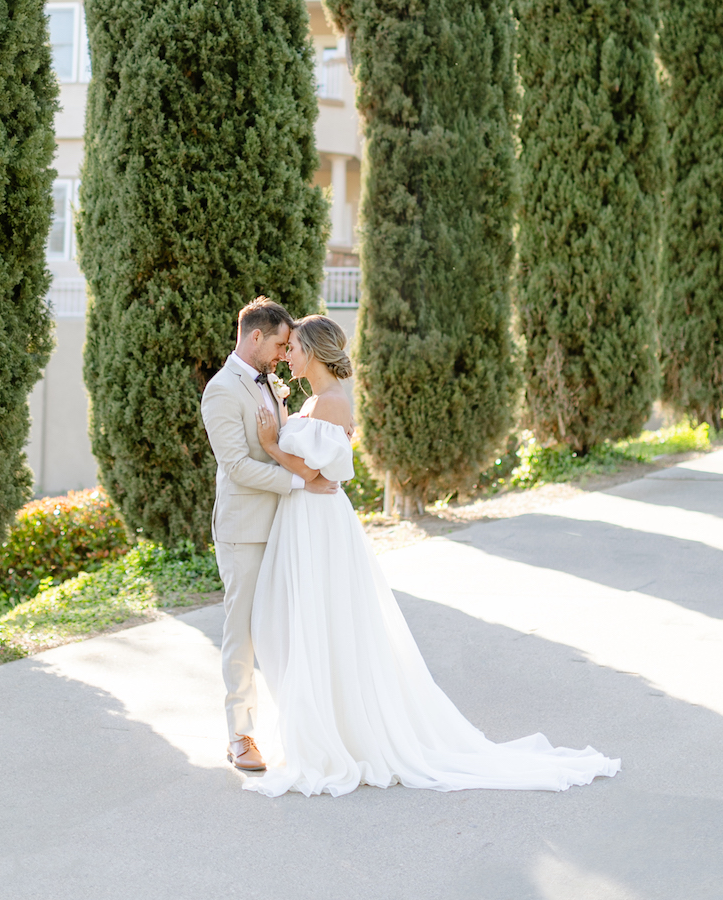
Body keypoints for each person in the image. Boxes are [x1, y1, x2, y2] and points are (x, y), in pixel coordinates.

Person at [247, 313, 621, 798]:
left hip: (319, 524)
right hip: (304, 521)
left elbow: (322, 476)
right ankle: (322, 725)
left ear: (314, 352)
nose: (287, 354)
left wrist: (273, 445)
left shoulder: (332, 403)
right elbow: (315, 471)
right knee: (304, 622)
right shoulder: (316, 401)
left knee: (324, 622)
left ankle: (337, 736)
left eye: (293, 346)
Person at [200, 296, 340, 774]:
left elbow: (282, 444)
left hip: (285, 528)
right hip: (245, 531)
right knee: (242, 633)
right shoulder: (222, 390)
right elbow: (237, 467)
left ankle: (297, 724)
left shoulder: (270, 386)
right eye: (280, 343)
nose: (285, 353)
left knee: (283, 630)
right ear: (255, 337)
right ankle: (239, 735)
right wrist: (302, 481)